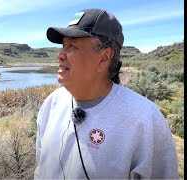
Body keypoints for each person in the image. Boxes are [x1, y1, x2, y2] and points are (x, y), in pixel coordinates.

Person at [34, 8, 179, 179]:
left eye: (72, 46)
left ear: (104, 58)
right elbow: (41, 169)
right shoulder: (52, 103)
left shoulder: (144, 118)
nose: (60, 55)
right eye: (63, 45)